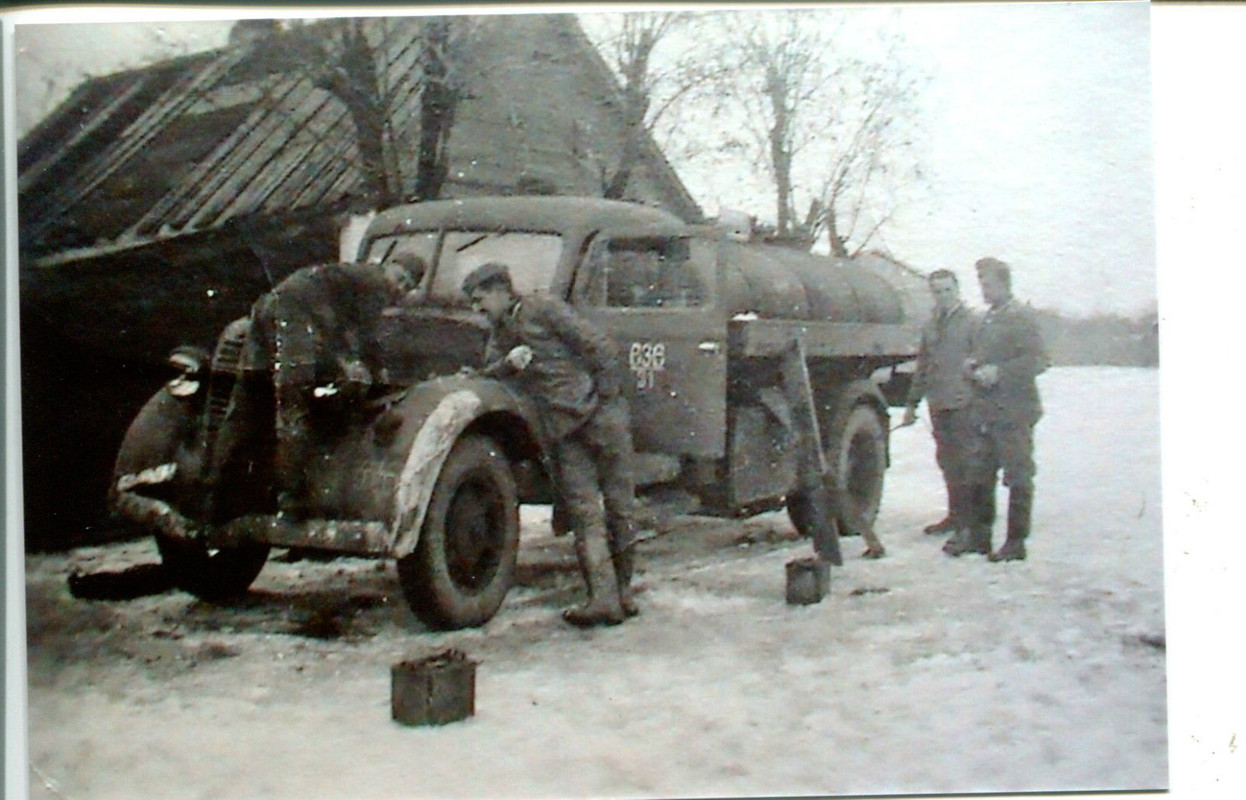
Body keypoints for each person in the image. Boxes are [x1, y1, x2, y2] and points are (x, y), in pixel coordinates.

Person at [461, 261, 638, 627]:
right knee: (585, 514)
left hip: (600, 419)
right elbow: (489, 372)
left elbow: (599, 347)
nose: (477, 309)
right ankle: (605, 599)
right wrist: (508, 364)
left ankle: (621, 594)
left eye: (480, 299)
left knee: (620, 508)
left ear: (501, 290)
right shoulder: (502, 332)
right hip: (565, 431)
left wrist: (602, 400)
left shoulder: (543, 307)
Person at [210, 254, 425, 518]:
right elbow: (366, 337)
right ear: (387, 267)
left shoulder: (352, 276)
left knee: (250, 398)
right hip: (297, 315)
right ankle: (292, 499)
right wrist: (377, 373)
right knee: (295, 404)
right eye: (400, 278)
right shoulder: (375, 283)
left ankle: (215, 491)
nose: (399, 288)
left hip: (270, 306)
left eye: (407, 286)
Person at [949, 256, 1048, 561]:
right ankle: (979, 538)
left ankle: (1015, 543)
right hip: (985, 411)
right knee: (980, 475)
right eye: (980, 283)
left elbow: (1039, 360)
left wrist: (1000, 372)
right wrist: (972, 366)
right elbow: (981, 354)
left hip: (1014, 413)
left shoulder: (1022, 317)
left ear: (1005, 284)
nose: (983, 289)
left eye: (988, 284)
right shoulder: (986, 319)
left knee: (1017, 476)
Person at [901, 269, 979, 543]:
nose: (943, 296)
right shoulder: (932, 323)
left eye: (948, 290)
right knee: (946, 461)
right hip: (939, 402)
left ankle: (969, 523)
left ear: (957, 290)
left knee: (966, 462)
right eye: (938, 291)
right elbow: (923, 365)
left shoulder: (972, 322)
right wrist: (912, 403)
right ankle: (954, 515)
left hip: (964, 403)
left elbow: (982, 360)